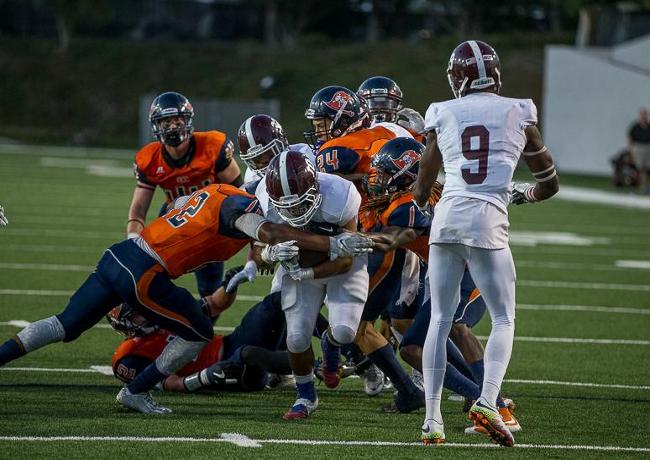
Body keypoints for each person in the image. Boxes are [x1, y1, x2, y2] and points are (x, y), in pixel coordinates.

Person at [0, 183, 373, 414]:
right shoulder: (239, 206)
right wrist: (330, 242)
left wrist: (262, 258)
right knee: (197, 331)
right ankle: (135, 391)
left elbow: (250, 239)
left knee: (64, 324)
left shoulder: (211, 193)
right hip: (149, 268)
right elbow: (269, 230)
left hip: (118, 255)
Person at [413, 40, 558, 446]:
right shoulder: (519, 109)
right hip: (487, 221)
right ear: (496, 75)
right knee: (504, 318)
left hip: (448, 218)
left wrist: (422, 202)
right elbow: (549, 181)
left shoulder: (441, 111)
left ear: (456, 78)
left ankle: (432, 420)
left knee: (440, 321)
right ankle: (489, 401)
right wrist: (522, 194)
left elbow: (427, 171)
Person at [256, 151, 369, 420]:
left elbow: (344, 261)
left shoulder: (340, 195)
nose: (294, 211)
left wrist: (307, 273)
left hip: (340, 265)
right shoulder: (264, 200)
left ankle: (330, 345)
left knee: (344, 332)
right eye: (287, 207)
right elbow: (258, 249)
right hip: (296, 267)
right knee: (295, 337)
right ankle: (306, 395)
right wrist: (268, 254)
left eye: (299, 204)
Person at [109, 266, 328, 393]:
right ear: (126, 323)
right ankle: (318, 366)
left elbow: (214, 303)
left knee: (278, 301)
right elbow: (170, 383)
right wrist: (204, 377)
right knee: (248, 353)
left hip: (230, 342)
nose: (146, 312)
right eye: (138, 312)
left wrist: (229, 284)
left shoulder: (165, 315)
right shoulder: (128, 359)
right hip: (224, 371)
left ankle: (336, 344)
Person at [127, 91, 243, 298]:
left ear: (187, 121)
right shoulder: (149, 158)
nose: (172, 127)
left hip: (211, 220)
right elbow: (138, 209)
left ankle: (203, 327)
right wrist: (133, 238)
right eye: (166, 122)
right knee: (151, 272)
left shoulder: (212, 146)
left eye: (177, 120)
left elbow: (240, 192)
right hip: (175, 217)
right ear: (156, 125)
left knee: (209, 286)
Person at [238, 114, 315, 191]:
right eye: (256, 160)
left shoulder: (306, 155)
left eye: (267, 155)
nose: (263, 164)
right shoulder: (251, 176)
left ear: (282, 143)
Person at [628, 108, 650, 192]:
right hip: (638, 147)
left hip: (648, 148)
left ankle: (645, 187)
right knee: (637, 168)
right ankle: (633, 186)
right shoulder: (635, 126)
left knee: (646, 169)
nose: (643, 117)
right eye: (642, 115)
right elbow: (630, 138)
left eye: (645, 115)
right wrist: (630, 149)